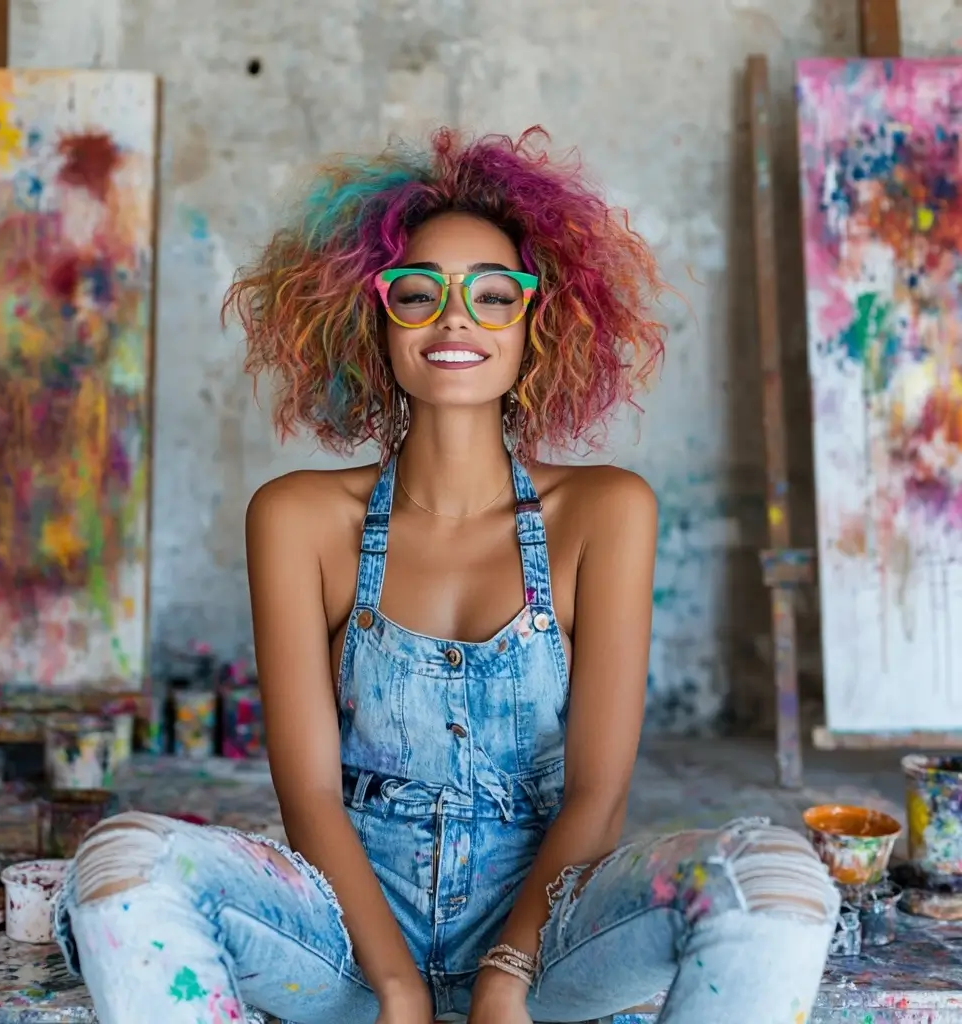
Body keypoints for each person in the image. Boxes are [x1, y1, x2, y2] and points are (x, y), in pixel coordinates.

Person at [52, 127, 838, 1024]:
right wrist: (396, 989)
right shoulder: (298, 518)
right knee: (121, 870)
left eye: (492, 295)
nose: (455, 318)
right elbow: (308, 795)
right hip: (346, 943)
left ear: (536, 325)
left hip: (552, 944)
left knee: (774, 882)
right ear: (373, 320)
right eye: (418, 294)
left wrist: (505, 977)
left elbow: (597, 794)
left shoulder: (605, 512)